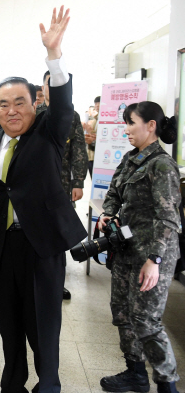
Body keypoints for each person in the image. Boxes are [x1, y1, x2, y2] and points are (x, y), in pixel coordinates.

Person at [0, 6, 85, 393]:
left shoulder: (48, 132)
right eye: (3, 104)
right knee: (9, 323)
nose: (11, 110)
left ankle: (48, 383)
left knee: (43, 323)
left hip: (41, 244)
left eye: (20, 102)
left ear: (35, 103)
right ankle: (12, 381)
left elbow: (64, 103)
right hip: (0, 246)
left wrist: (54, 54)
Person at [98, 101, 181, 393]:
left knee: (147, 320)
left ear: (151, 125)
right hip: (127, 248)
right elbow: (114, 190)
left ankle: (167, 385)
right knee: (122, 312)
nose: (127, 129)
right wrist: (108, 212)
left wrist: (155, 260)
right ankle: (135, 373)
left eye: (131, 122)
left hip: (153, 254)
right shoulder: (132, 159)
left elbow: (169, 219)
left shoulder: (162, 165)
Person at [40, 69, 88, 301]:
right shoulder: (33, 113)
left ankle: (57, 282)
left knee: (59, 233)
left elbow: (78, 150)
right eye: (50, 84)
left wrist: (78, 181)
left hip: (61, 184)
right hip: (36, 183)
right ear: (43, 88)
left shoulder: (73, 116)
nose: (54, 88)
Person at [85, 96, 100, 176]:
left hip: (99, 157)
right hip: (91, 155)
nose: (97, 105)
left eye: (99, 103)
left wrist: (91, 132)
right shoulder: (94, 121)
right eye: (96, 104)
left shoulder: (105, 120)